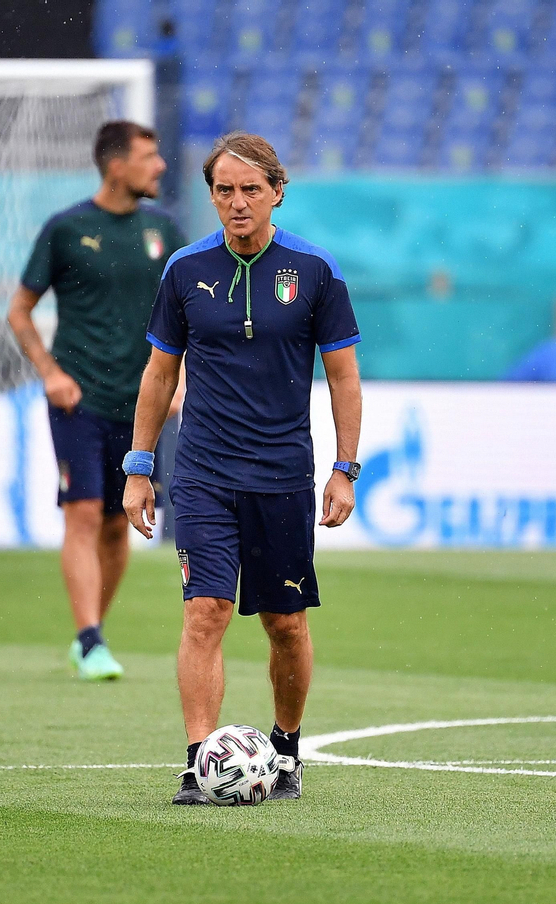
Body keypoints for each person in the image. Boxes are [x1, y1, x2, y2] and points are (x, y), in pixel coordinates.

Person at [123, 131, 364, 804]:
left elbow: (344, 377)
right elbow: (158, 371)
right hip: (202, 471)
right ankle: (202, 759)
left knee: (285, 622)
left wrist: (345, 467)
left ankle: (286, 748)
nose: (237, 204)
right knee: (205, 611)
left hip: (285, 473)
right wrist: (139, 465)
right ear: (211, 196)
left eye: (250, 190)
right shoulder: (183, 271)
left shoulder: (316, 271)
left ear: (277, 192)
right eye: (224, 191)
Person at [8, 120, 187, 681]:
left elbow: (189, 317)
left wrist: (181, 381)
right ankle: (89, 640)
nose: (160, 166)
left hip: (143, 406)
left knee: (119, 524)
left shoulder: (166, 231)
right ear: (116, 165)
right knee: (83, 514)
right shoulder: (66, 229)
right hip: (78, 397)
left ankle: (92, 635)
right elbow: (19, 310)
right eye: (149, 156)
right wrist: (50, 373)